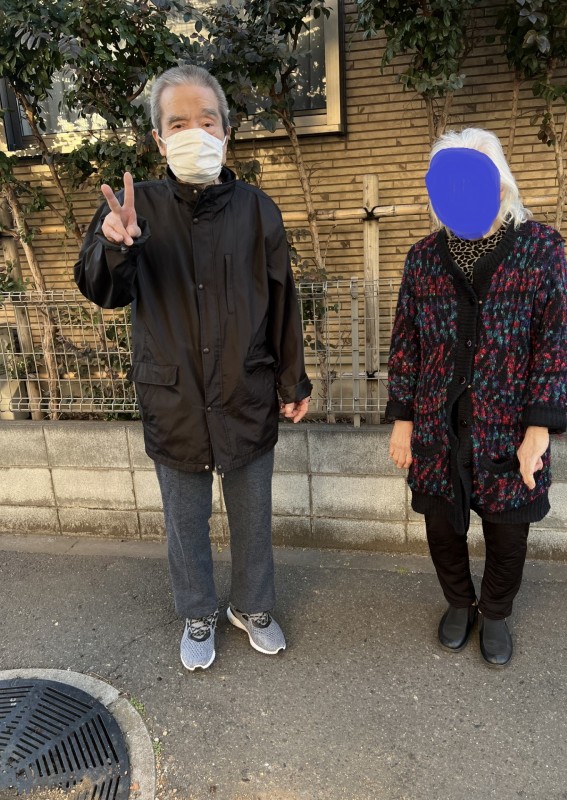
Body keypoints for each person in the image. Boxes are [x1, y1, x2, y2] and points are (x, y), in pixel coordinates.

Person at [74, 65, 312, 671]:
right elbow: (102, 290)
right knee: (185, 520)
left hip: (244, 389)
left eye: (207, 121)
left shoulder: (258, 211)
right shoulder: (136, 210)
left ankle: (253, 606)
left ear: (227, 132)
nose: (194, 133)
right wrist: (115, 245)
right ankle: (197, 611)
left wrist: (292, 380)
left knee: (252, 515)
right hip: (173, 396)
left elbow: (282, 301)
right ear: (158, 139)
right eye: (178, 124)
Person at [387, 127, 567, 667]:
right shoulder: (423, 258)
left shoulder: (540, 249)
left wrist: (539, 428)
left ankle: (495, 610)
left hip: (509, 423)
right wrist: (402, 419)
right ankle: (459, 602)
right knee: (440, 523)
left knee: (508, 527)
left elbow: (558, 341)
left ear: (500, 184)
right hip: (437, 422)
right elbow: (406, 342)